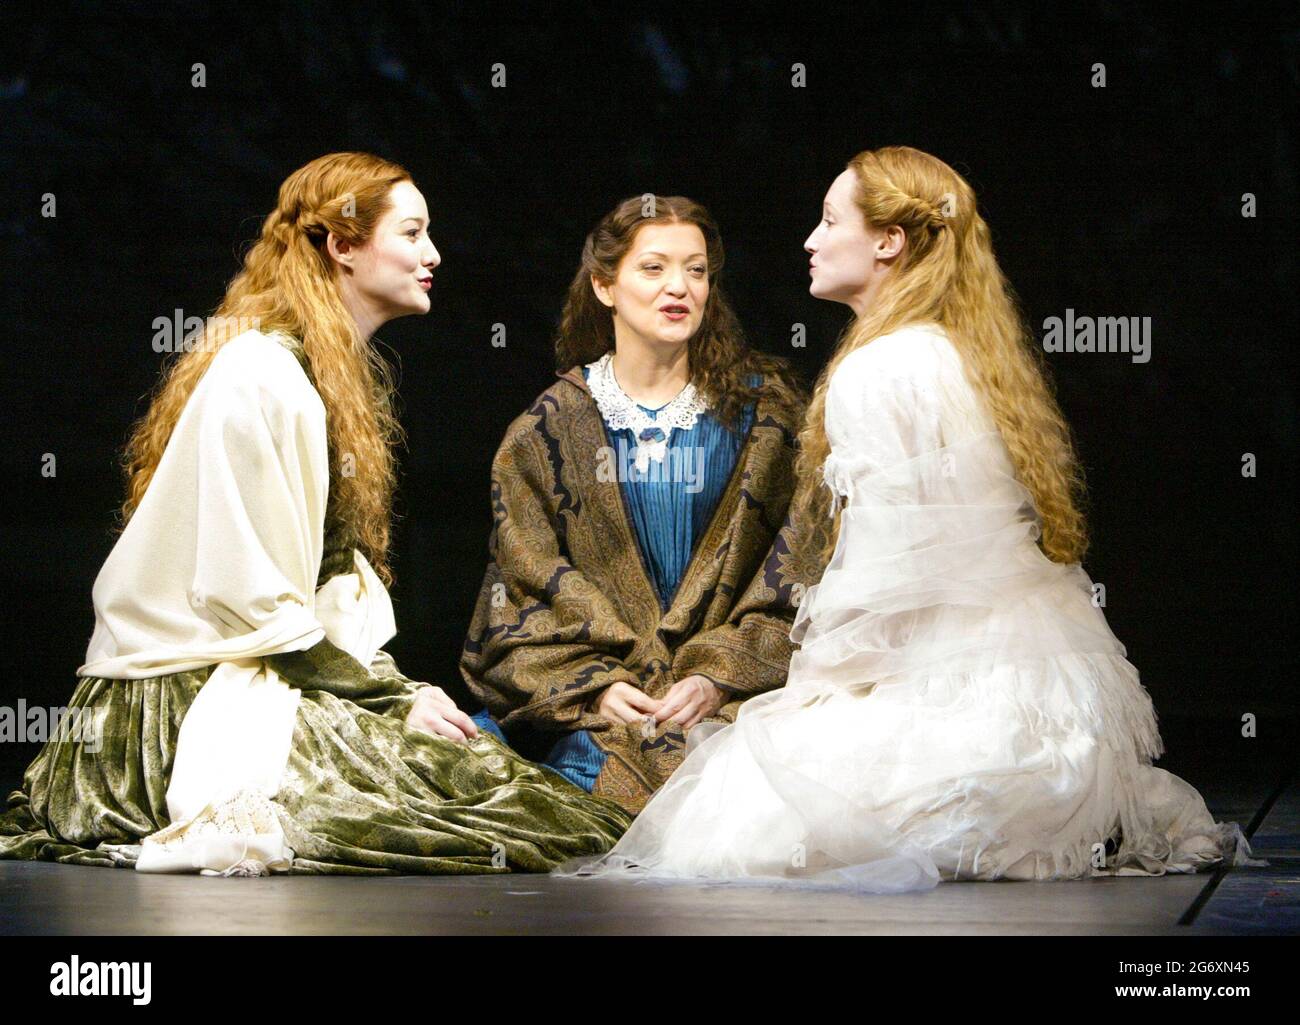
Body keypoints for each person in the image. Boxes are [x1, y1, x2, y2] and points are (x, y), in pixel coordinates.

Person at [554, 146, 1263, 889]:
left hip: (957, 686)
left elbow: (894, 574)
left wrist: (812, 687)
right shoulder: (958, 353)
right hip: (1040, 695)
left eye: (831, 221)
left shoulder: (879, 369)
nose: (811, 240)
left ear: (888, 240)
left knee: (741, 806)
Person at [0, 152, 630, 877]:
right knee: (470, 806)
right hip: (185, 702)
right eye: (413, 232)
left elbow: (312, 594)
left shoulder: (319, 374)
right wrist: (392, 697)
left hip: (269, 668)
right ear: (343, 245)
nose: (434, 255)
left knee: (500, 789)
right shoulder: (262, 376)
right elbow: (249, 599)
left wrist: (392, 690)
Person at [461, 195, 828, 814]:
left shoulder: (766, 421)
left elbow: (804, 574)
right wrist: (597, 690)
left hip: (739, 705)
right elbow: (515, 599)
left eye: (696, 269)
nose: (678, 287)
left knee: (759, 804)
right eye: (653, 268)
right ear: (605, 285)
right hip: (596, 719)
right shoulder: (545, 431)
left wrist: (716, 676)